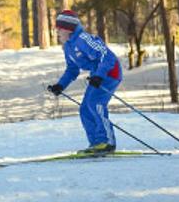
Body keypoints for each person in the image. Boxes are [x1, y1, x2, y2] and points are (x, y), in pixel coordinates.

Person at [46, 10, 122, 154]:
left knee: (95, 103)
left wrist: (99, 75)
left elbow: (107, 56)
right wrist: (60, 85)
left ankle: (107, 142)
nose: (57, 32)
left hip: (110, 72)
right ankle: (96, 144)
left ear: (68, 29)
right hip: (97, 75)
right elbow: (72, 69)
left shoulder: (83, 39)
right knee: (85, 109)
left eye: (59, 28)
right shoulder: (68, 46)